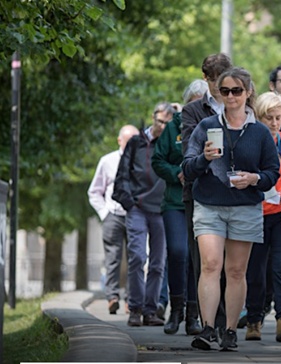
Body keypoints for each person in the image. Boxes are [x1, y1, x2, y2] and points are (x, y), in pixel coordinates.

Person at [183, 67, 280, 351]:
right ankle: (208, 328)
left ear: (248, 93)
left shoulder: (260, 132)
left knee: (236, 270)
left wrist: (254, 179)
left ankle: (229, 331)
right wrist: (204, 158)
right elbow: (187, 168)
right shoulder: (206, 127)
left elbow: (272, 173)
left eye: (237, 91)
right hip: (209, 204)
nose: (231, 96)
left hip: (245, 205)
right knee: (210, 265)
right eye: (224, 91)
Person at [180, 53, 234, 338]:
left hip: (235, 193)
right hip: (199, 193)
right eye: (213, 81)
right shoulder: (193, 111)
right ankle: (211, 323)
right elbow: (189, 149)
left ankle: (228, 324)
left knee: (232, 264)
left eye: (221, 80)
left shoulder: (241, 103)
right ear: (206, 79)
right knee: (205, 262)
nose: (217, 87)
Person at [151, 80, 208, 335]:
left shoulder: (212, 125)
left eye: (201, 101)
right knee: (177, 252)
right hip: (175, 201)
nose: (196, 106)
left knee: (198, 257)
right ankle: (175, 311)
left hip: (204, 201)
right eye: (192, 101)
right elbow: (157, 159)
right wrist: (177, 173)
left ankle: (194, 315)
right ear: (186, 103)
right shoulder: (174, 126)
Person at [243, 92, 281, 342]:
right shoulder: (249, 141)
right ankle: (254, 320)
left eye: (278, 117)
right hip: (255, 213)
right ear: (259, 117)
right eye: (269, 118)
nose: (275, 123)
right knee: (255, 271)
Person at [113, 102, 176, 327]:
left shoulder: (171, 144)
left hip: (162, 209)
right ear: (153, 118)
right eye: (160, 121)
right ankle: (135, 308)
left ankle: (151, 310)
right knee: (137, 257)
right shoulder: (136, 143)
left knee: (159, 263)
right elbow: (122, 175)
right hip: (137, 208)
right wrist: (129, 203)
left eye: (168, 123)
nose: (163, 127)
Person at [87, 124, 139, 314]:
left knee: (136, 258)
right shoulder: (107, 161)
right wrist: (104, 213)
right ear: (119, 140)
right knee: (113, 258)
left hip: (135, 215)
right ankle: (112, 297)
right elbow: (94, 191)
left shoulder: (142, 160)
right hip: (113, 215)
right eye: (128, 141)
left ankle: (131, 301)